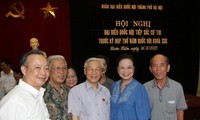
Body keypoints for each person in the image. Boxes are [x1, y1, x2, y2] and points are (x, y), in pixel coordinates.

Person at [0, 49, 50, 120]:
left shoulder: (37, 95)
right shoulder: (15, 102)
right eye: (37, 67)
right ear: (24, 70)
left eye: (46, 68)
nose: (43, 73)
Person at [144, 54, 188, 120]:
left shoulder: (177, 87)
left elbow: (180, 112)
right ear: (150, 69)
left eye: (162, 65)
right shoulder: (144, 88)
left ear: (168, 68)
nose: (158, 69)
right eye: (154, 65)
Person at [111, 53, 151, 120]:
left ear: (133, 69)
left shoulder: (140, 89)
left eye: (129, 67)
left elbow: (143, 117)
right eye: (122, 68)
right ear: (117, 69)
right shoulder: (114, 85)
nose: (126, 71)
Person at [44, 55, 71, 120]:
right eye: (57, 68)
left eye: (64, 68)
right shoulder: (42, 92)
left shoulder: (70, 91)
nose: (61, 72)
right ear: (48, 70)